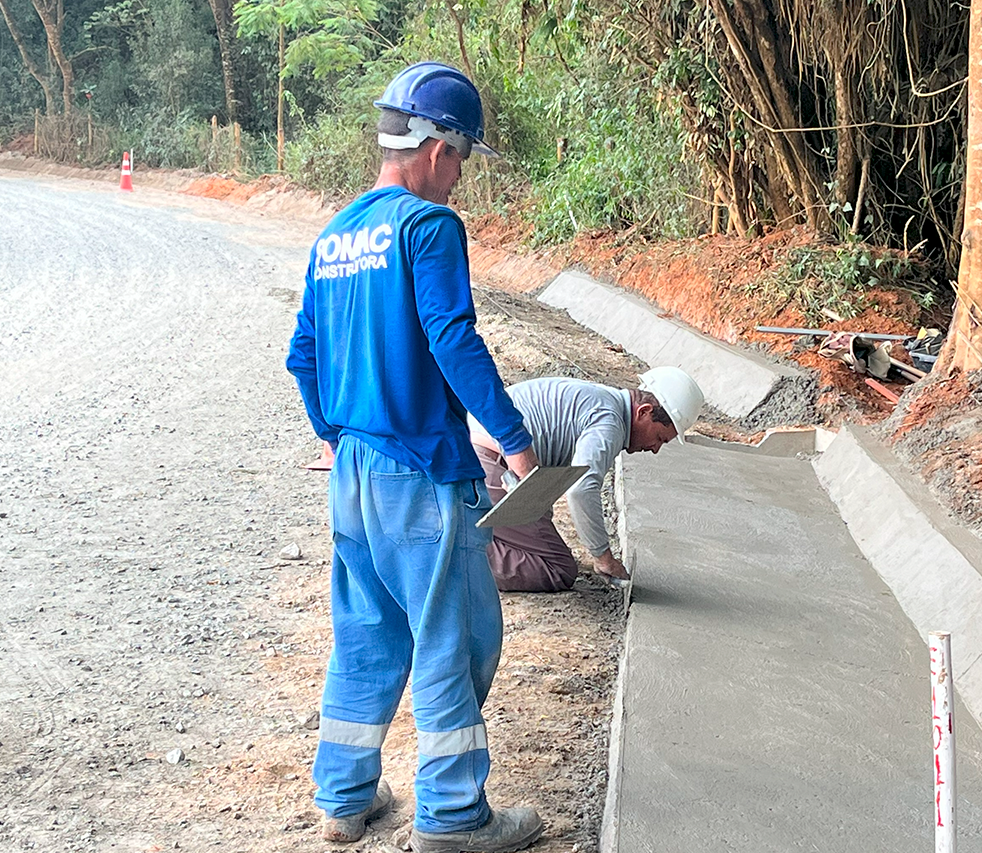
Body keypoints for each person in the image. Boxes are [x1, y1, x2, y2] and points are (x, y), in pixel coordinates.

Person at [286, 62, 547, 853]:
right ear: (438, 147)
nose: (460, 177)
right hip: (423, 475)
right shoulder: (427, 227)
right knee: (454, 635)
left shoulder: (337, 236)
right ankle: (453, 817)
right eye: (463, 159)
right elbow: (452, 338)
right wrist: (516, 437)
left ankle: (344, 798)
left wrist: (336, 433)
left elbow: (303, 354)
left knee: (365, 633)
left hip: (356, 475)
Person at [470, 368, 705, 592]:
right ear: (643, 412)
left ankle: (460, 532)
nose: (655, 449)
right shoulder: (609, 422)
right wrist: (603, 556)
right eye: (660, 438)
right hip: (489, 462)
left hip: (479, 451)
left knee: (536, 538)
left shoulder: (601, 399)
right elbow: (581, 490)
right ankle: (454, 556)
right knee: (558, 568)